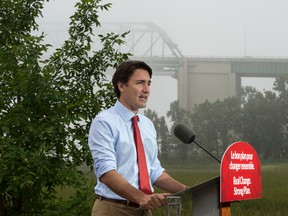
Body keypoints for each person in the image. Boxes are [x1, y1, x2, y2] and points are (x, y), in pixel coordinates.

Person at [88, 60, 187, 216]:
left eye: (149, 83)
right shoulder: (104, 122)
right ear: (121, 86)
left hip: (144, 210)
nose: (146, 89)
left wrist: (189, 192)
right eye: (140, 83)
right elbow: (106, 172)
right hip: (113, 209)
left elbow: (153, 171)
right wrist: (142, 198)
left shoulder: (147, 125)